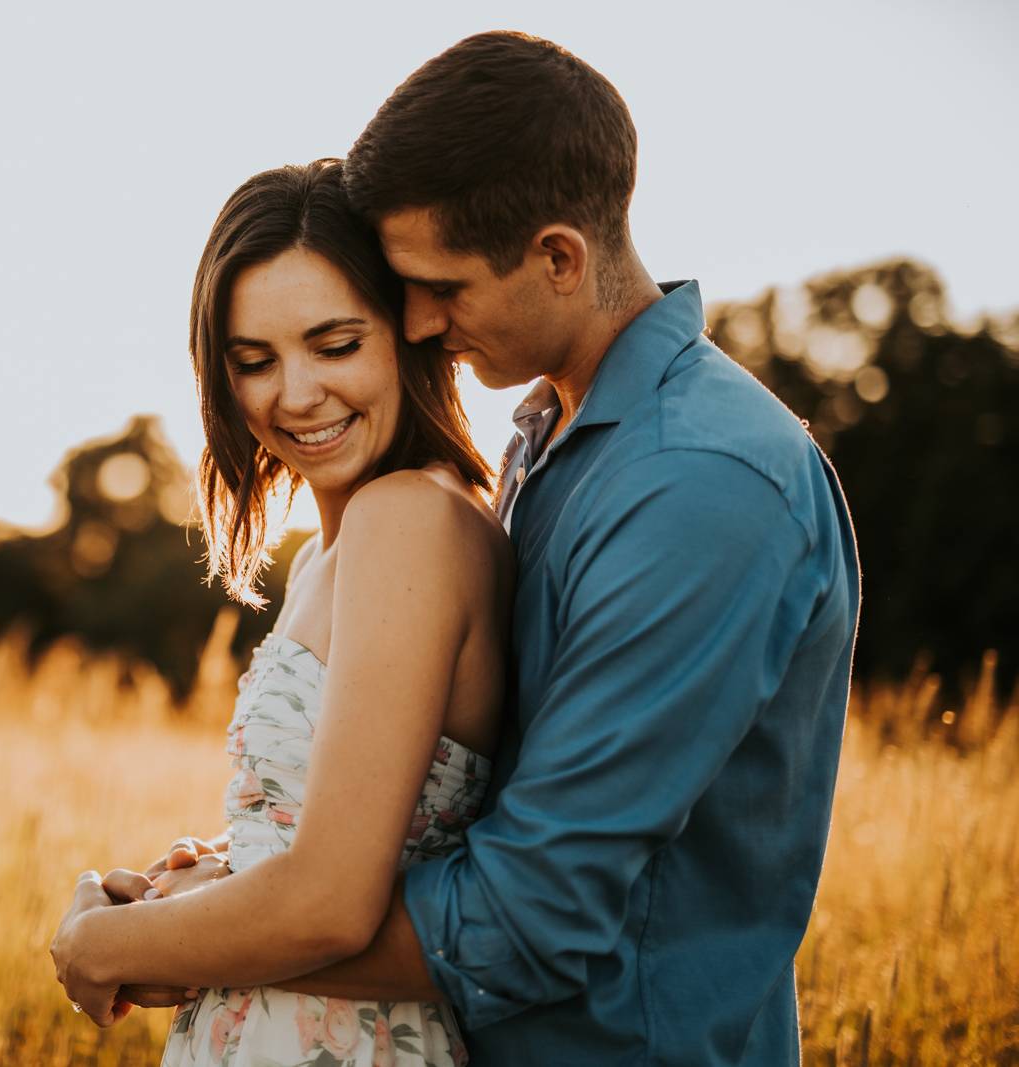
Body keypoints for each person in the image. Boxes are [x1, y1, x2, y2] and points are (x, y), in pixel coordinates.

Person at [53, 31, 861, 1067]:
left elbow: (529, 910)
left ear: (558, 257)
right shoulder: (552, 444)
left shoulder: (698, 480)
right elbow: (448, 802)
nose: (422, 320)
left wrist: (152, 941)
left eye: (436, 288)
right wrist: (215, 887)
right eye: (253, 358)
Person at [51, 157, 514, 1064]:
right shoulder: (338, 548)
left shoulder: (408, 520)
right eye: (253, 361)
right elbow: (329, 835)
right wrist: (183, 890)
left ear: (408, 331)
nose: (294, 395)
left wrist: (92, 943)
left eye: (335, 344)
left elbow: (331, 899)